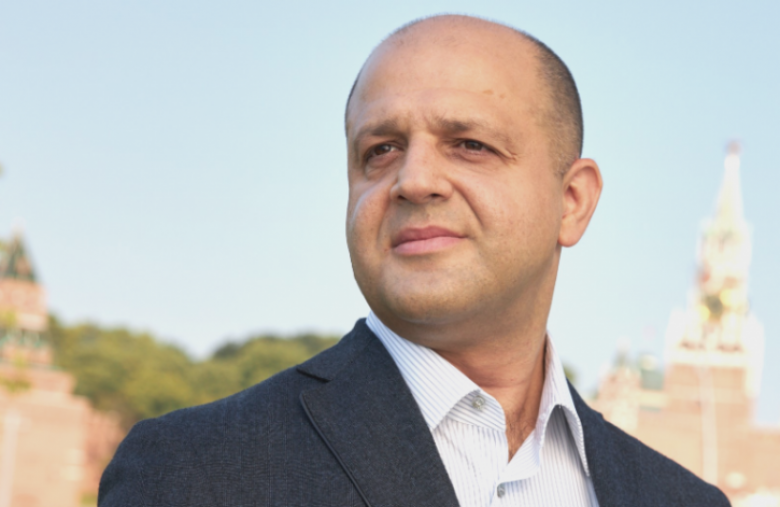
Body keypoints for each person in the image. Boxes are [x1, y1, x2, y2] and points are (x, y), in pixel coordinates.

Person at [99, 15, 730, 507]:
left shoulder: (682, 501)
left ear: (572, 202)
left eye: (470, 145)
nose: (414, 179)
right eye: (380, 150)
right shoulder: (193, 472)